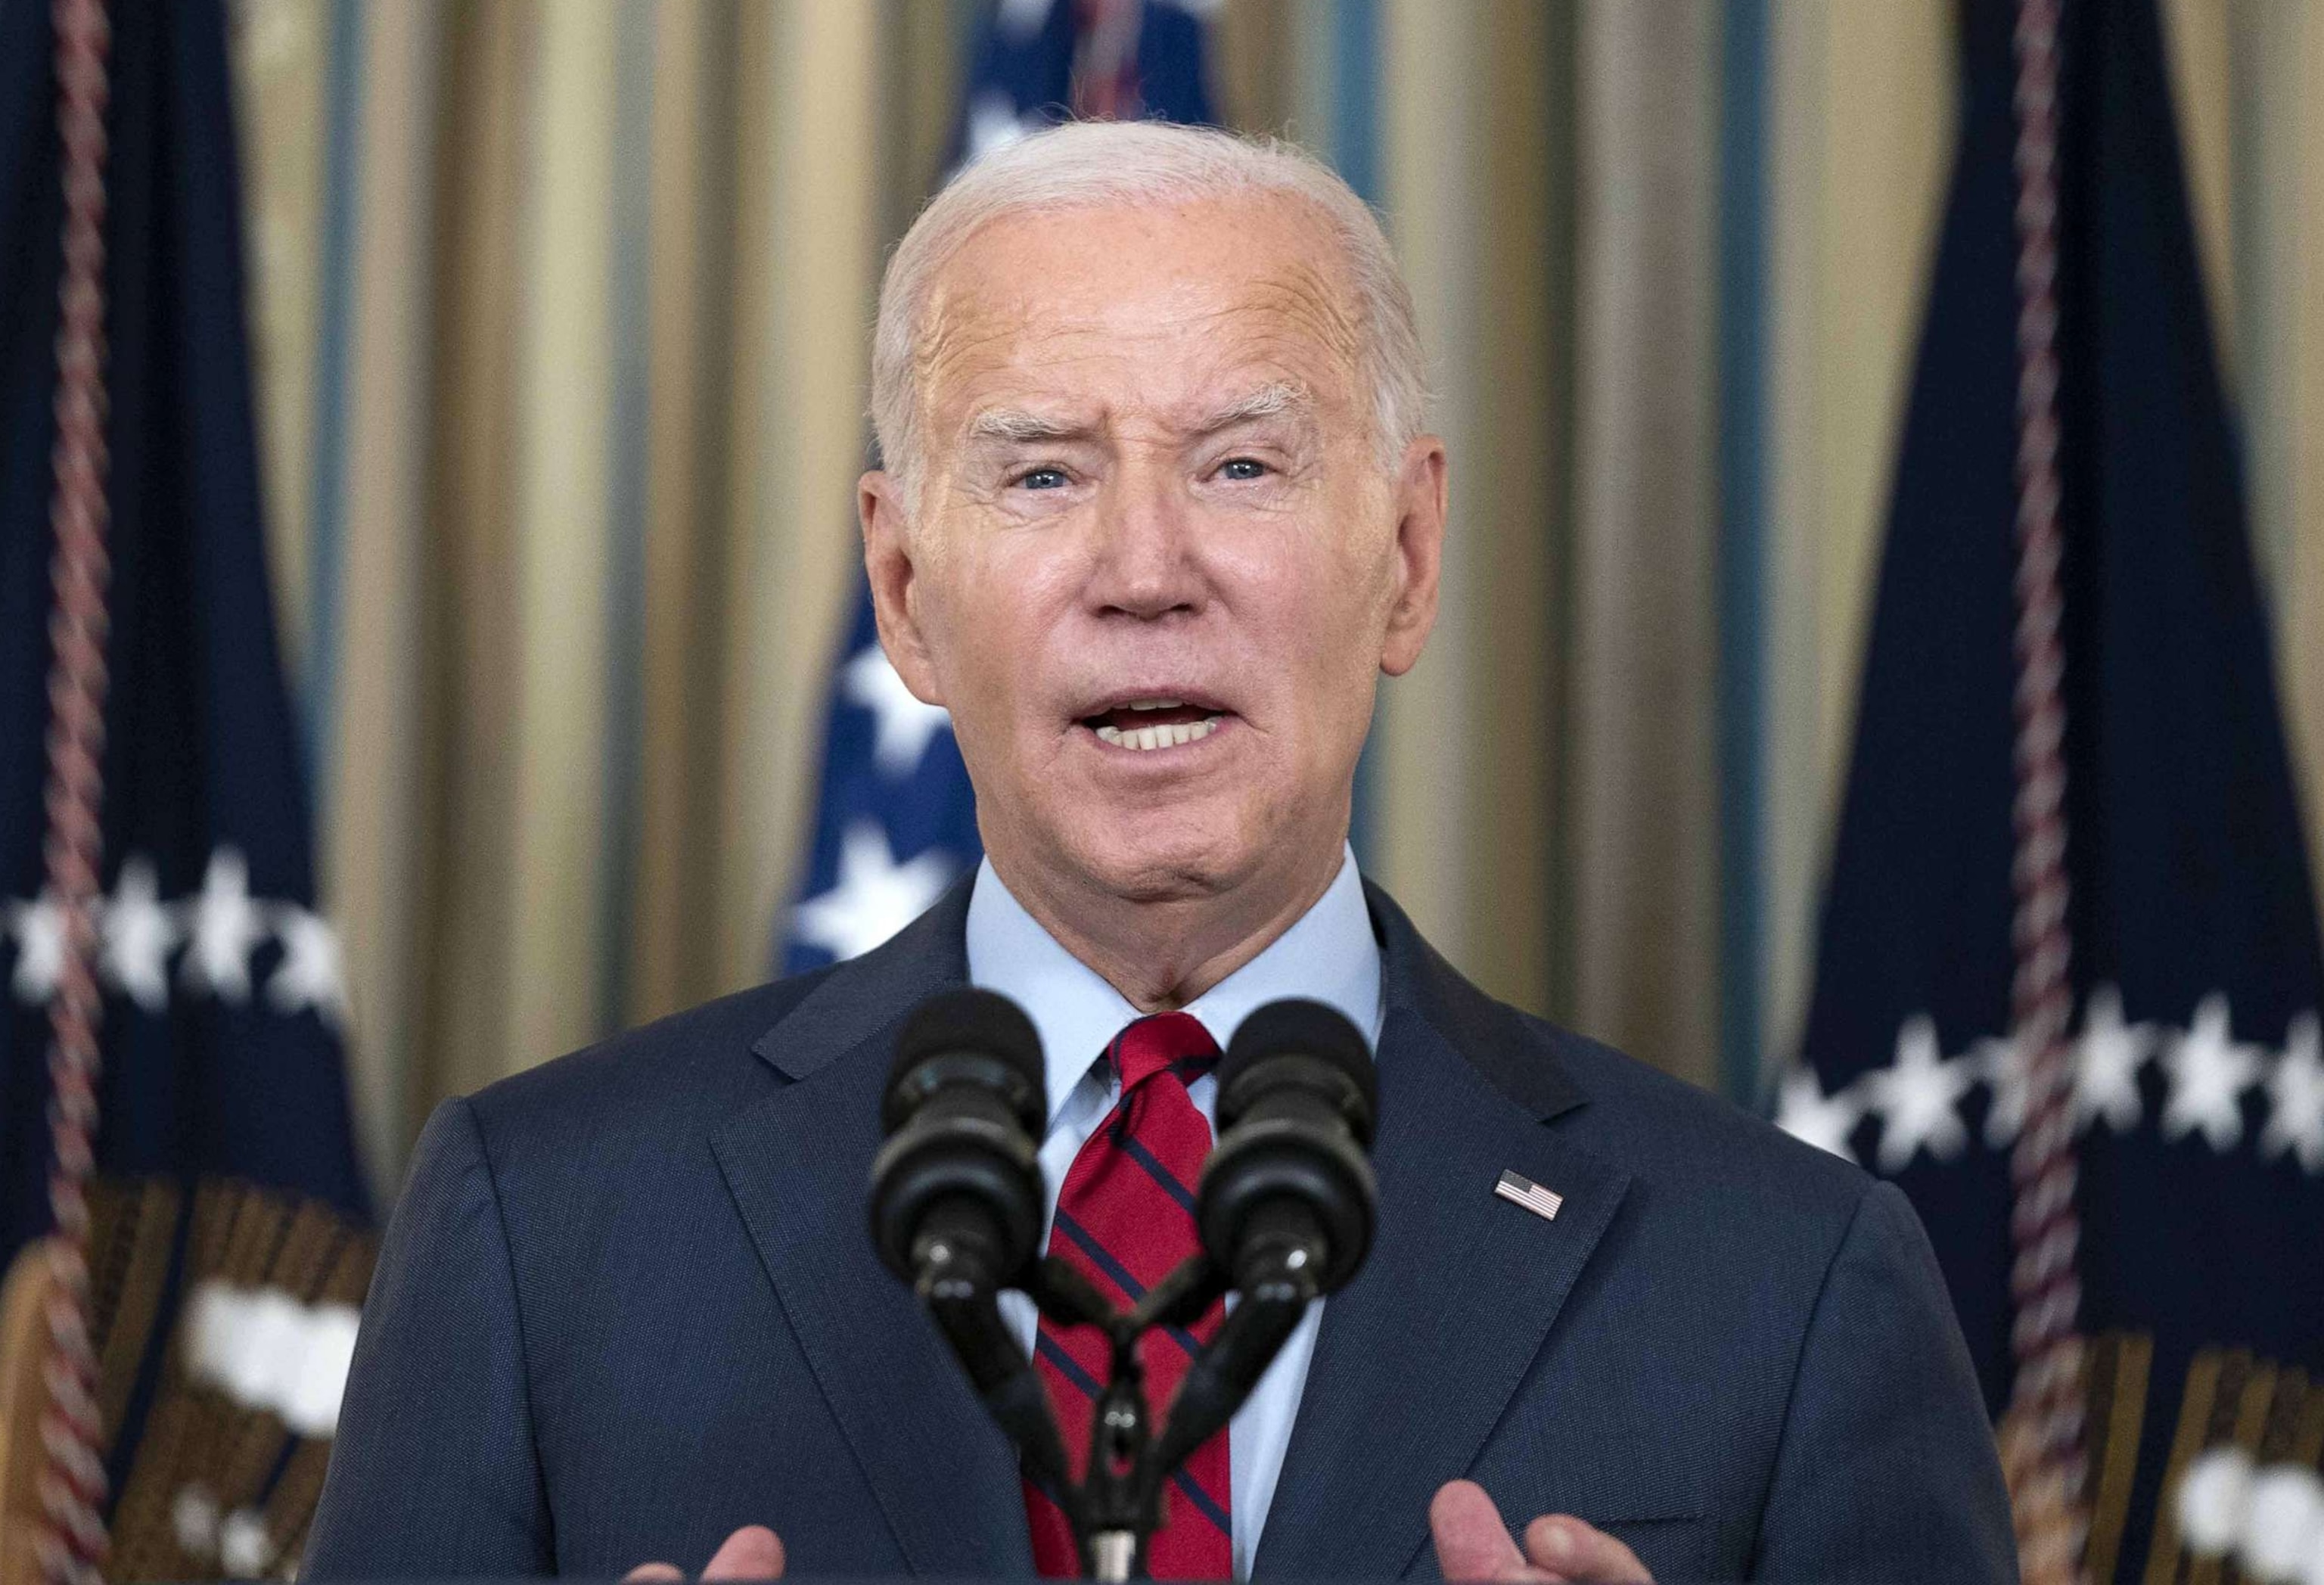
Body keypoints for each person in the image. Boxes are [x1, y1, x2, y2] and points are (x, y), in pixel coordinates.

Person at [306, 120, 2016, 1584]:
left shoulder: (1791, 1283)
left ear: (1408, 556)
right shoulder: (542, 1231)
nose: (1146, 567)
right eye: (1043, 474)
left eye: (1243, 464)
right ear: (903, 590)